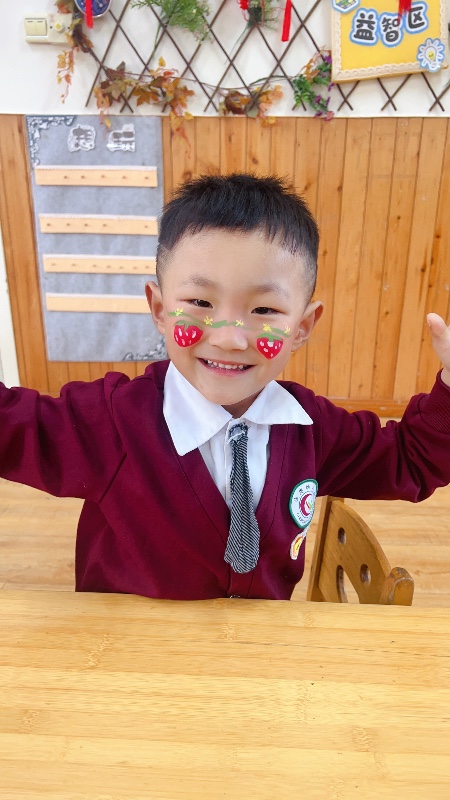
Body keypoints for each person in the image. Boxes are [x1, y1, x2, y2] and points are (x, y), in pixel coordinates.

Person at [0, 174, 449, 600]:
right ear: (159, 310)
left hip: (255, 646)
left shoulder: (311, 429)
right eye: (200, 302)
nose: (230, 339)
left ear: (302, 327)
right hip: (129, 649)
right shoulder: (109, 422)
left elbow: (409, 459)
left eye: (265, 310)